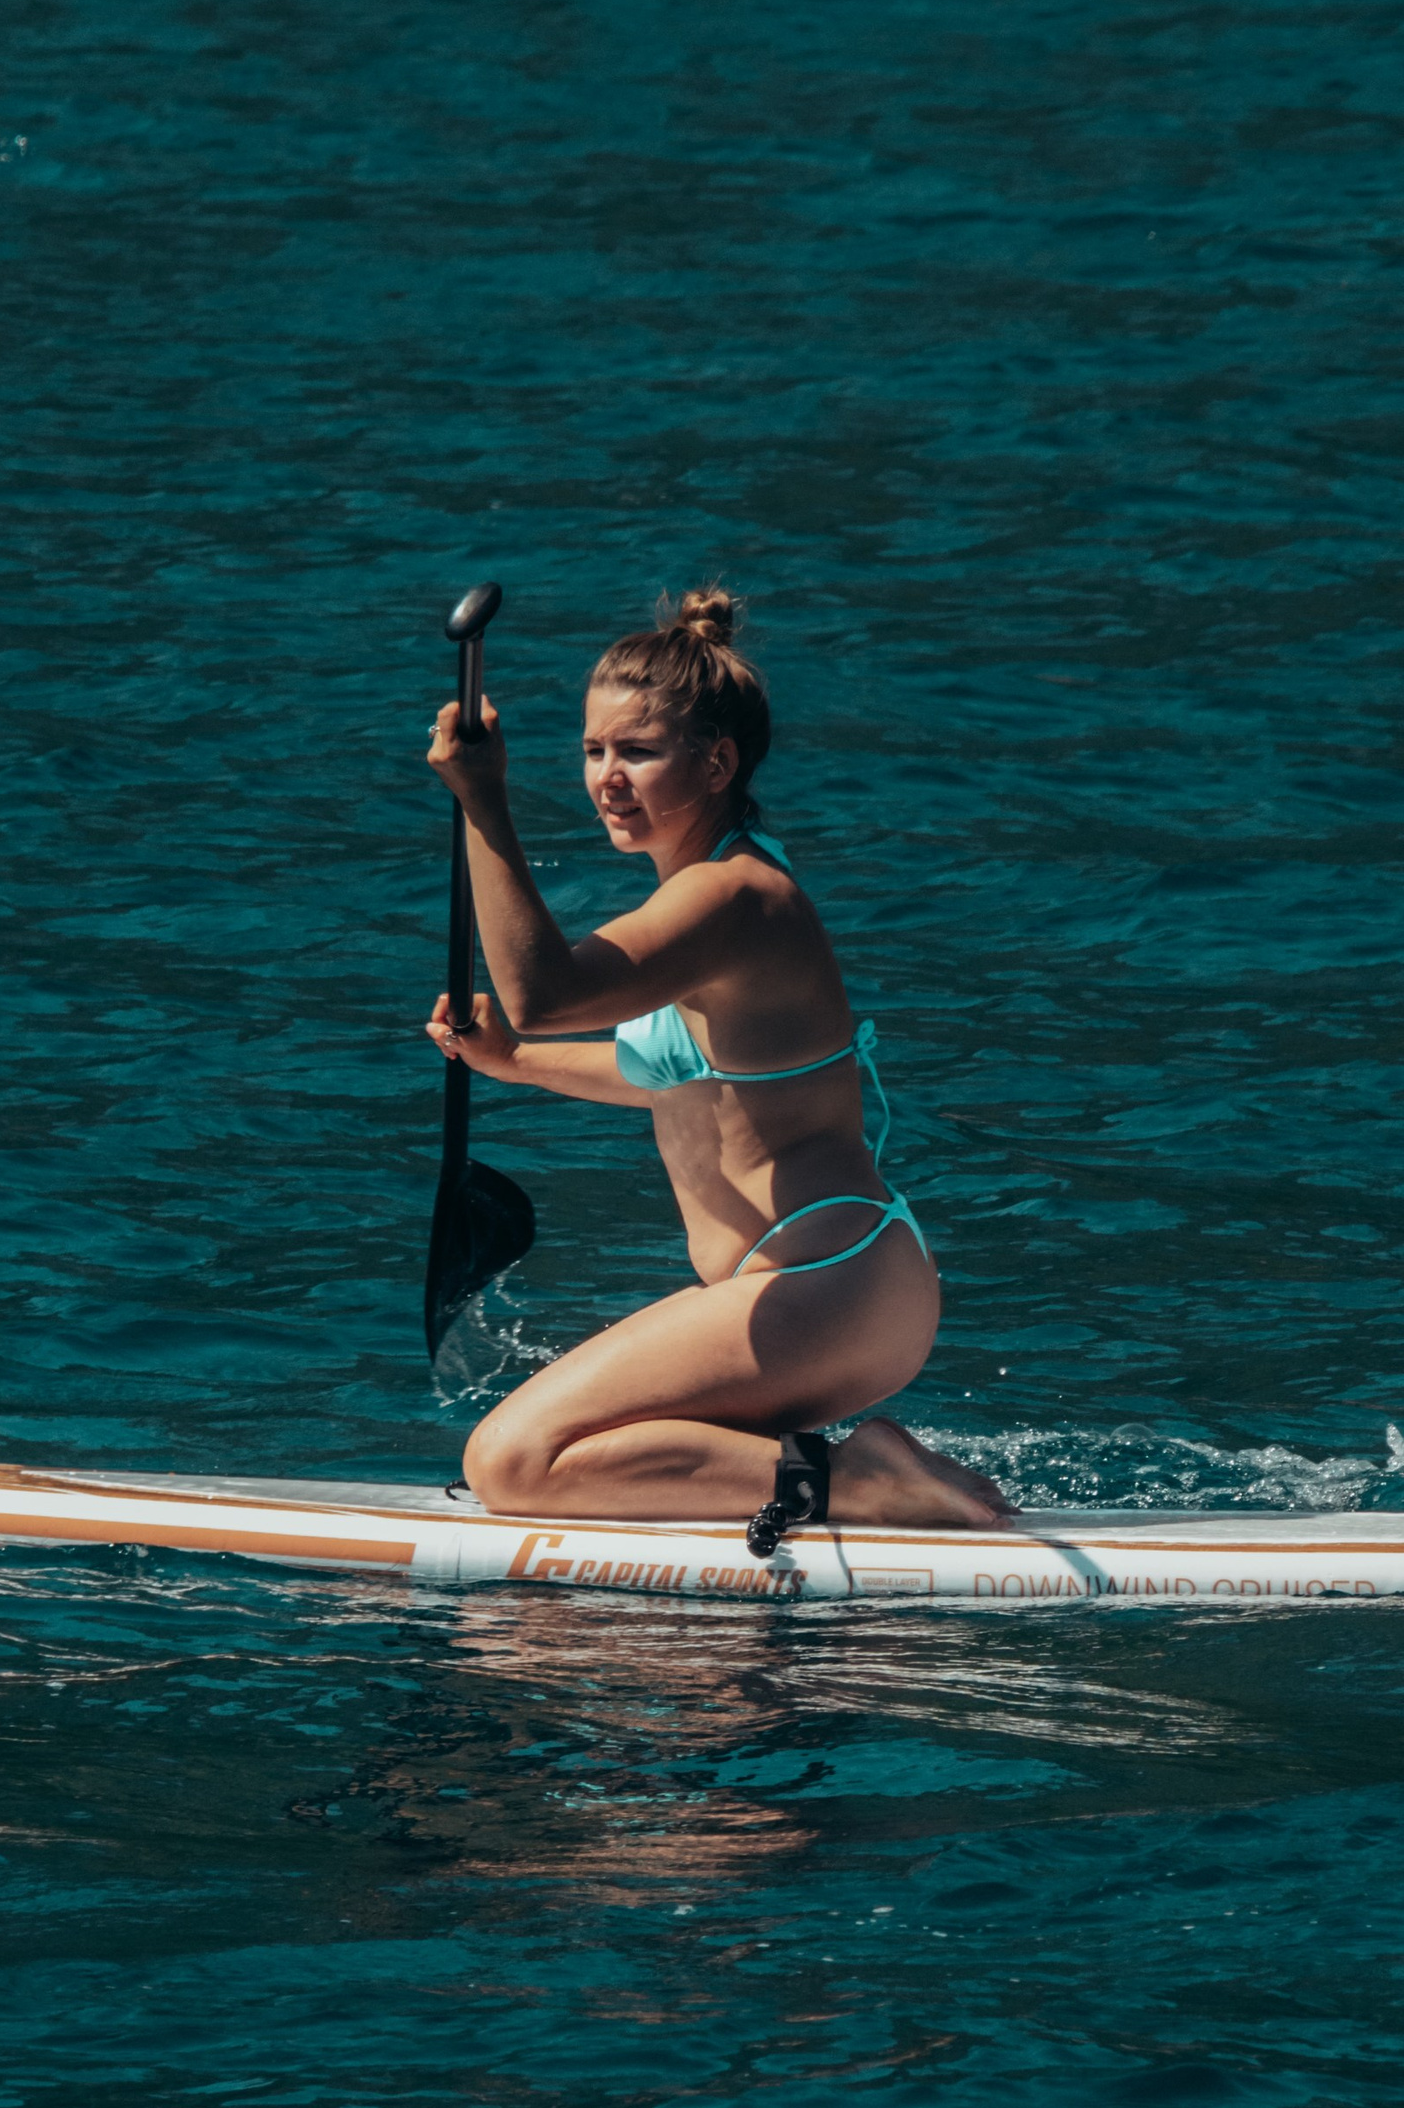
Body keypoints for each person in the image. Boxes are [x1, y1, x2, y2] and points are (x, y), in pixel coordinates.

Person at [425, 586, 1009, 1541]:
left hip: (831, 1280)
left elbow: (544, 991)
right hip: (819, 1285)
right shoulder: (709, 894)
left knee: (511, 1461)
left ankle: (863, 1479)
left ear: (717, 761)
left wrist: (483, 801)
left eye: (638, 752)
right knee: (567, 1455)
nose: (608, 777)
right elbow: (674, 1072)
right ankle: (827, 1475)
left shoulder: (737, 900)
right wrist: (518, 1063)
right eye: (593, 751)